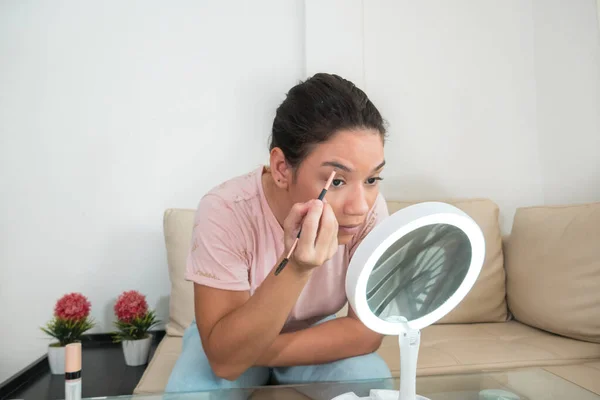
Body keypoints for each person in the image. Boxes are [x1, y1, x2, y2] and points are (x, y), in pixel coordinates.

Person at [165, 73, 392, 394]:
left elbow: (367, 332)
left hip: (308, 334)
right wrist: (297, 266)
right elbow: (223, 357)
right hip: (234, 331)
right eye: (337, 181)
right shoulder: (226, 209)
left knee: (373, 386)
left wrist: (248, 354)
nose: (359, 207)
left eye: (372, 179)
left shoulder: (371, 211)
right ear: (283, 168)